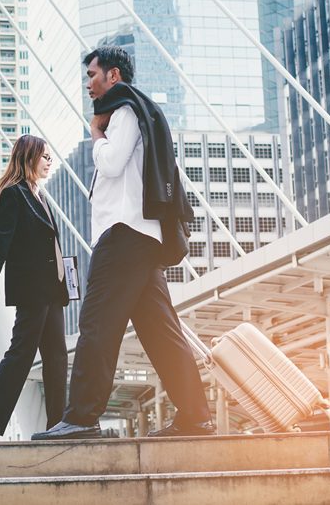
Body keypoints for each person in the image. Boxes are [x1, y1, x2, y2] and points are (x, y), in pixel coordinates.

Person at [32, 46, 214, 440]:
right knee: (160, 331)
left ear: (113, 76)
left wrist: (97, 134)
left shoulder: (126, 113)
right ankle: (197, 417)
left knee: (97, 323)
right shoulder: (133, 112)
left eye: (93, 74)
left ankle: (81, 417)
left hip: (124, 235)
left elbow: (112, 162)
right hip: (138, 238)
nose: (88, 83)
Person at [0, 134, 70, 442]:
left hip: (52, 292)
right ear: (28, 158)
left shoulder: (40, 196)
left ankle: (57, 426)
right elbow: (0, 246)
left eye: (51, 158)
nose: (49, 162)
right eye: (45, 157)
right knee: (20, 355)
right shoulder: (15, 195)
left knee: (57, 358)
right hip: (32, 291)